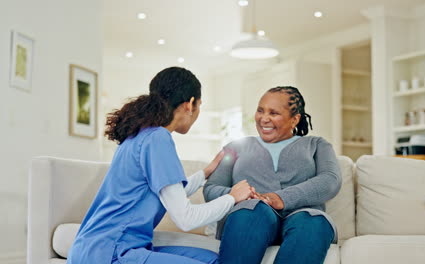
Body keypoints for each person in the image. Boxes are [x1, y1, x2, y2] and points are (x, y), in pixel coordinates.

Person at [67, 67, 253, 264]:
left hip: (100, 248)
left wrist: (205, 173)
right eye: (199, 105)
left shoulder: (142, 135)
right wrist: (232, 197)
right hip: (108, 253)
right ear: (190, 104)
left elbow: (168, 194)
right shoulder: (158, 139)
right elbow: (186, 218)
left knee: (212, 259)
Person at [203, 86, 342, 264]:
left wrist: (280, 198)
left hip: (303, 216)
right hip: (251, 215)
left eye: (274, 113)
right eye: (260, 111)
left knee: (313, 222)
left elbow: (330, 180)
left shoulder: (317, 145)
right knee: (252, 211)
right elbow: (211, 189)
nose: (264, 118)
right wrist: (238, 196)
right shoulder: (236, 147)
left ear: (295, 119)